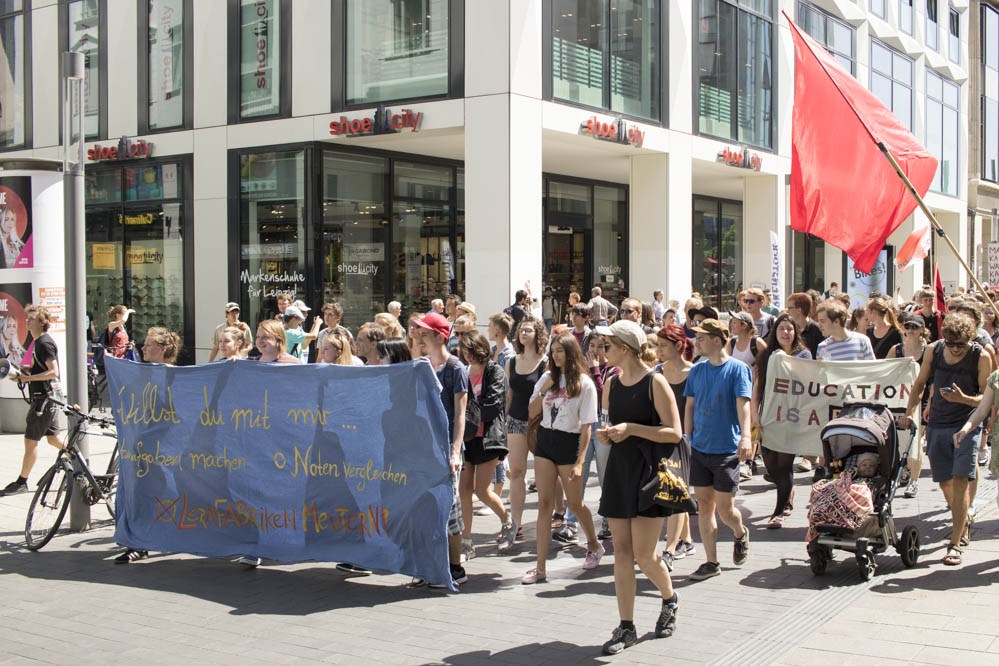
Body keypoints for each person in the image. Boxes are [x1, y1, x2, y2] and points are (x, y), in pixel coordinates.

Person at [594, 320, 682, 654]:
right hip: (620, 470)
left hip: (649, 473)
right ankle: (626, 626)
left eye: (609, 344)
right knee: (622, 551)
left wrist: (632, 428)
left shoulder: (654, 381)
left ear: (626, 348)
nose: (604, 350)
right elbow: (608, 424)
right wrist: (609, 434)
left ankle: (670, 599)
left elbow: (674, 432)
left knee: (645, 555)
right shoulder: (611, 384)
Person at [900, 313, 989, 566]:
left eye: (961, 344)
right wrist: (909, 413)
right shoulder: (934, 350)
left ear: (970, 339)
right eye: (951, 344)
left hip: (967, 425)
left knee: (961, 481)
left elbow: (987, 397)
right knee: (945, 483)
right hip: (938, 422)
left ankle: (955, 542)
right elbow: (919, 384)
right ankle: (963, 519)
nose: (956, 349)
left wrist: (964, 399)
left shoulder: (980, 356)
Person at [522, 333, 603, 584]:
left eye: (560, 350)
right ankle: (540, 567)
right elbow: (531, 412)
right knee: (545, 505)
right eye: (553, 351)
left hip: (570, 443)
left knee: (575, 503)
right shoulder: (547, 378)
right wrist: (543, 390)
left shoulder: (585, 384)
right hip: (546, 441)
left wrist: (580, 462)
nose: (556, 356)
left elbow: (587, 427)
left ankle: (593, 543)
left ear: (571, 352)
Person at [684, 319, 752, 581]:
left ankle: (740, 532)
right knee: (704, 506)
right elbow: (690, 405)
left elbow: (743, 404)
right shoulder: (697, 370)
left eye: (701, 337)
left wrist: (746, 437)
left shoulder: (737, 369)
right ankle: (711, 561)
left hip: (726, 449)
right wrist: (687, 438)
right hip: (700, 447)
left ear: (717, 340)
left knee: (726, 510)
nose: (696, 342)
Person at [113, 326, 181, 563]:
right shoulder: (139, 373)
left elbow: (177, 414)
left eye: (148, 344)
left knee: (150, 494)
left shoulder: (172, 377)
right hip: (135, 447)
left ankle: (142, 542)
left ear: (162, 349)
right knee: (132, 493)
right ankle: (136, 541)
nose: (142, 347)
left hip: (159, 451)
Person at [412, 312, 469, 586]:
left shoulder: (455, 368)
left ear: (439, 335)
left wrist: (455, 451)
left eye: (425, 332)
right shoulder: (422, 366)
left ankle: (455, 567)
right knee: (424, 508)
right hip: (423, 448)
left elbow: (460, 414)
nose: (420, 335)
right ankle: (429, 566)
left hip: (446, 449)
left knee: (450, 509)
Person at [457, 330, 516, 560]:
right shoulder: (463, 371)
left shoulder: (495, 371)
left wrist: (466, 407)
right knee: (464, 490)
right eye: (464, 350)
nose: (466, 355)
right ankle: (467, 541)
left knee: (482, 490)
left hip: (488, 438)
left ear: (479, 349)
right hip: (467, 439)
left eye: (470, 350)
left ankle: (507, 521)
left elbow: (493, 405)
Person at [751, 314, 812, 528]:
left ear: (795, 333)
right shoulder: (766, 356)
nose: (786, 333)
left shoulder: (803, 355)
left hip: (791, 418)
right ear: (775, 333)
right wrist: (754, 414)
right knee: (771, 466)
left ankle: (778, 512)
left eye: (790, 329)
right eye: (781, 329)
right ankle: (788, 492)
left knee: (785, 466)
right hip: (768, 418)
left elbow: (807, 385)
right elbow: (757, 388)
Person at [1, 306, 65, 498]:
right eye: (27, 318)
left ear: (41, 323)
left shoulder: (44, 343)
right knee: (53, 439)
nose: (27, 321)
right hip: (48, 398)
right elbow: (43, 370)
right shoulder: (37, 342)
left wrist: (27, 379)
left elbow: (54, 372)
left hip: (44, 400)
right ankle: (79, 460)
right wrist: (27, 373)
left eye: (31, 319)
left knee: (31, 441)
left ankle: (22, 482)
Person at [654, 325, 696, 571]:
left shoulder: (695, 372)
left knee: (676, 492)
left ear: (679, 346)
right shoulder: (657, 373)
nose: (658, 350)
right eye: (657, 345)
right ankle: (687, 540)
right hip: (662, 437)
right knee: (677, 491)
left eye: (663, 346)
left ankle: (670, 549)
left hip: (686, 440)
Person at [504, 317, 548, 543]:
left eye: (528, 330)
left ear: (537, 334)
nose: (523, 334)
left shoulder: (546, 362)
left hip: (539, 423)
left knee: (545, 475)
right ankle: (516, 523)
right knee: (517, 472)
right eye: (521, 330)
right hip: (515, 420)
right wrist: (504, 417)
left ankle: (555, 514)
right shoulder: (511, 362)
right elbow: (509, 394)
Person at [891, 312, 929, 499]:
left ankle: (914, 481)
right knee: (903, 438)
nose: (911, 330)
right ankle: (905, 469)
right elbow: (886, 373)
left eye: (915, 327)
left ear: (922, 329)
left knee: (918, 441)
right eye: (908, 326)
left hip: (923, 399)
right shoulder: (896, 349)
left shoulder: (928, 351)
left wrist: (930, 403)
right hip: (899, 399)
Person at [787, 292, 824, 358]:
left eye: (790, 308)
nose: (787, 311)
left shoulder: (818, 330)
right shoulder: (790, 329)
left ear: (799, 310)